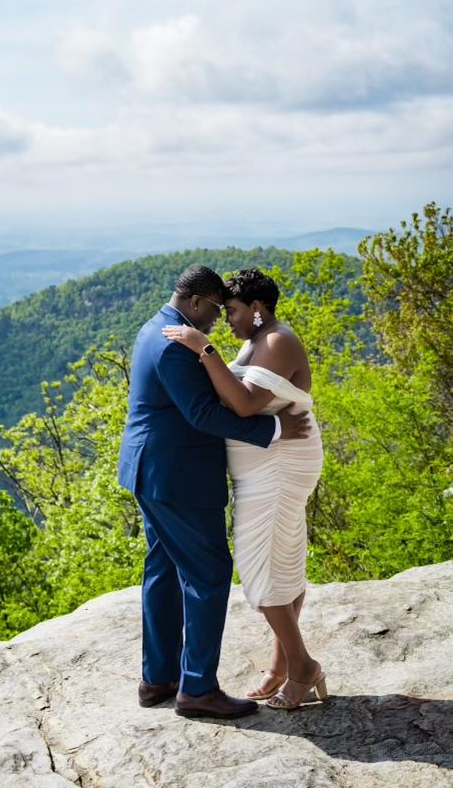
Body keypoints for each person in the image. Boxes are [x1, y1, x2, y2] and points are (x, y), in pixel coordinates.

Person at [118, 264, 311, 720]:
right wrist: (276, 427)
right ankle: (198, 689)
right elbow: (204, 414)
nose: (218, 320)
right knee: (208, 573)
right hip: (178, 477)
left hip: (154, 471)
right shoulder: (175, 345)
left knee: (164, 570)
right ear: (197, 302)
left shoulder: (155, 329)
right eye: (215, 310)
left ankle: (159, 678)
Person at [162, 267, 326, 710]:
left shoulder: (277, 340)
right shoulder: (257, 340)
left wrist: (205, 348)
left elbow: (244, 402)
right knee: (283, 561)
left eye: (231, 310)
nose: (223, 319)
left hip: (279, 467)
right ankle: (281, 668)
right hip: (265, 468)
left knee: (259, 569)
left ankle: (304, 668)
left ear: (256, 309)